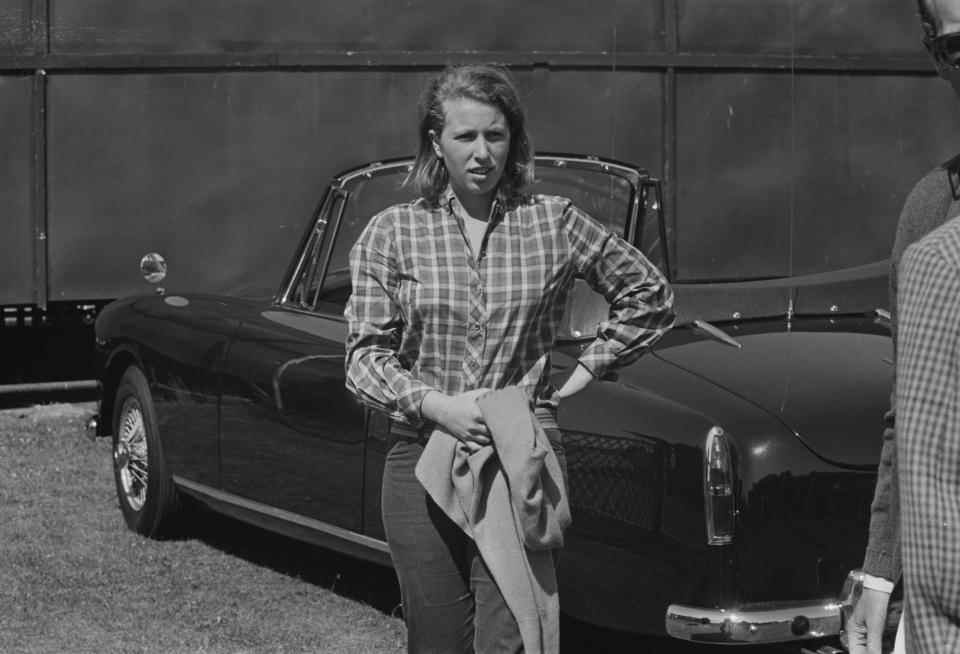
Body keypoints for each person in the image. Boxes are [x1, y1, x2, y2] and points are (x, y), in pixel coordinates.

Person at [343, 64, 675, 653]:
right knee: (439, 640)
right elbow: (364, 357)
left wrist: (589, 365)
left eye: (494, 136)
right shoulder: (391, 232)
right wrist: (435, 405)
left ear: (513, 142)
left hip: (522, 450)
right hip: (421, 453)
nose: (481, 154)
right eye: (465, 137)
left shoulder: (553, 221)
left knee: (515, 636)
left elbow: (650, 294)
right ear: (435, 143)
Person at [845, 2, 960, 652]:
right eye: (959, 48)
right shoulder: (929, 215)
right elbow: (908, 422)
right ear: (936, 55)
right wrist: (879, 575)